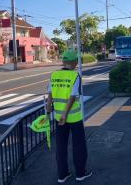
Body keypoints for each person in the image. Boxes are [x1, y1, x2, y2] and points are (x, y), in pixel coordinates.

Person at [46, 50, 92, 183]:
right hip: (74, 118)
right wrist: (65, 115)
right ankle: (80, 174)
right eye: (76, 61)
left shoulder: (53, 75)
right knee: (79, 146)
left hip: (58, 118)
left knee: (60, 146)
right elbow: (72, 98)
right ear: (74, 62)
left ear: (63, 62)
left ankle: (62, 175)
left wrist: (48, 113)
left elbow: (50, 96)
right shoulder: (75, 76)